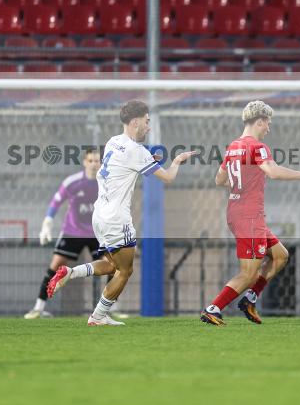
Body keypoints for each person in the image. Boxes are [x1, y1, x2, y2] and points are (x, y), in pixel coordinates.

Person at [46, 100, 197, 326]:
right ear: (135, 122)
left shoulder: (113, 142)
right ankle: (98, 316)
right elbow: (168, 177)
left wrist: (148, 160)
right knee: (125, 271)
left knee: (111, 264)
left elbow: (125, 165)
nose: (149, 127)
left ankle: (70, 272)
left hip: (99, 215)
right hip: (117, 218)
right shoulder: (138, 152)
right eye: (147, 122)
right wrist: (176, 161)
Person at [200, 101, 300, 326]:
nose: (268, 128)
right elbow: (273, 171)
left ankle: (249, 299)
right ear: (259, 121)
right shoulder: (257, 147)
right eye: (267, 123)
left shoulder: (233, 146)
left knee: (280, 255)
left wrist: (242, 184)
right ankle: (213, 308)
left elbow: (219, 179)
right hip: (249, 216)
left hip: (238, 212)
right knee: (249, 272)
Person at [25, 149, 101, 319]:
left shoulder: (106, 182)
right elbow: (56, 202)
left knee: (110, 264)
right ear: (84, 162)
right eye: (91, 161)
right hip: (73, 231)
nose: (94, 164)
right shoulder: (72, 182)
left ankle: (111, 306)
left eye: (97, 161)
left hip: (97, 232)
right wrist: (47, 224)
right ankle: (38, 307)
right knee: (56, 265)